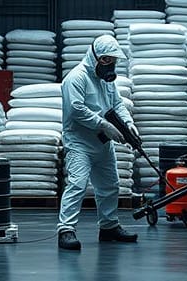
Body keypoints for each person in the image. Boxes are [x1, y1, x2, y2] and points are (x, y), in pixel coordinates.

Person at [57, 34, 139, 251]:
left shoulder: (105, 81)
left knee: (109, 185)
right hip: (79, 143)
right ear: (95, 57)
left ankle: (109, 227)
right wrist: (104, 125)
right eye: (106, 60)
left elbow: (117, 104)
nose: (110, 65)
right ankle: (66, 230)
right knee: (77, 184)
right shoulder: (76, 78)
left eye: (113, 61)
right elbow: (76, 110)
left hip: (103, 143)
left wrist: (128, 124)